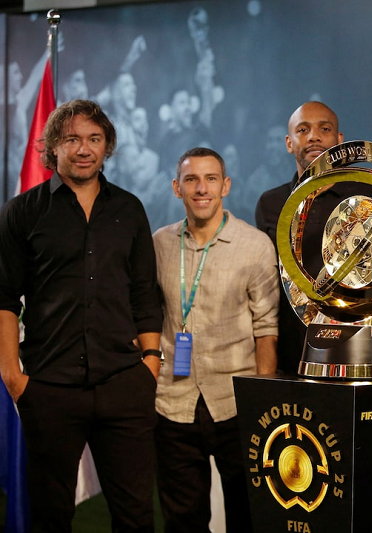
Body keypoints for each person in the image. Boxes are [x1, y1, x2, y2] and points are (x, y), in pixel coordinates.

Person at [0, 99, 163, 532]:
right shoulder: (22, 212)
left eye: (94, 139)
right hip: (49, 388)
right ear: (53, 147)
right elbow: (3, 298)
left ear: (106, 146)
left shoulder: (129, 209)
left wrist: (151, 365)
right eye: (72, 139)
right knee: (50, 517)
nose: (84, 148)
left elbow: (145, 293)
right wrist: (13, 377)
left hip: (124, 383)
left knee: (135, 516)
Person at [152, 147, 279, 533]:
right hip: (173, 401)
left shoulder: (255, 245)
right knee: (182, 520)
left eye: (210, 179)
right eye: (191, 179)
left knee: (247, 516)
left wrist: (262, 401)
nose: (201, 188)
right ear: (177, 188)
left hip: (236, 402)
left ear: (225, 185)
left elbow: (266, 328)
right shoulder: (158, 244)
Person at [254, 101, 344, 374]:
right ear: (289, 142)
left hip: (358, 353)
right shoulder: (271, 203)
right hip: (291, 356)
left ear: (340, 140)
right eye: (303, 130)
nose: (314, 136)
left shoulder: (367, 196)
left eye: (324, 129)